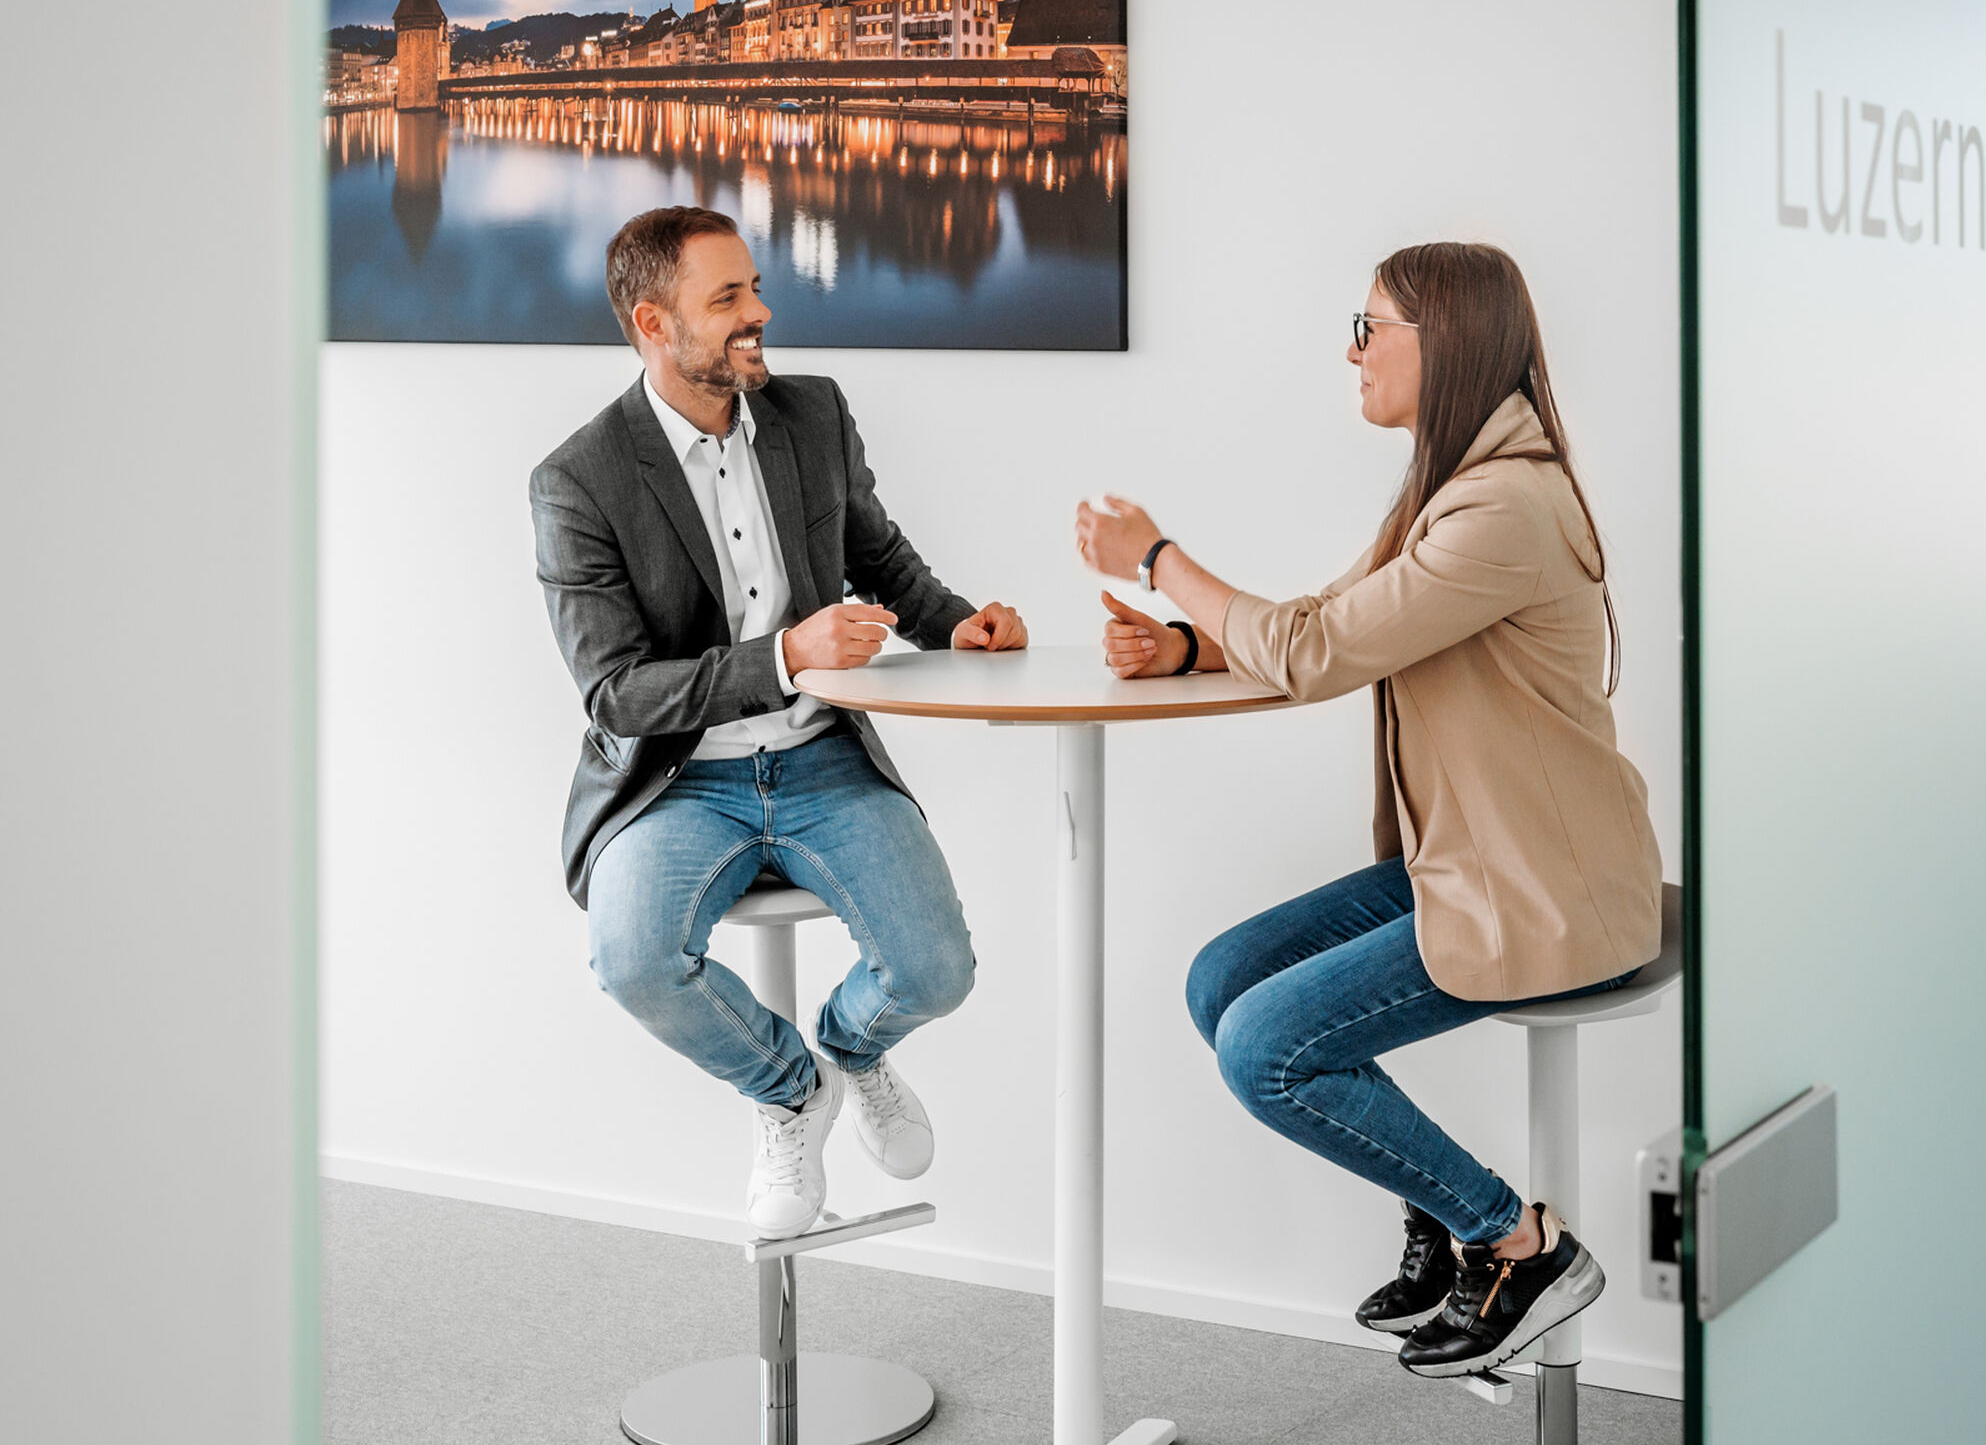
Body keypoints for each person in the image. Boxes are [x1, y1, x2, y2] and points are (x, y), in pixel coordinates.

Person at [1072, 242, 1663, 1378]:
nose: (1351, 348)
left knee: (1265, 1049)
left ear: (1442, 347)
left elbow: (1316, 651)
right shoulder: (1452, 486)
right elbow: (1328, 619)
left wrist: (1156, 556)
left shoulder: (1505, 506)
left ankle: (1514, 1243)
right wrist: (1188, 645)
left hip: (1548, 887)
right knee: (1218, 980)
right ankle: (1444, 1223)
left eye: (1371, 324)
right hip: (1474, 861)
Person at [531, 206, 1027, 1238]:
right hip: (678, 780)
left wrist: (956, 624)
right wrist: (787, 655)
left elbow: (877, 554)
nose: (760, 313)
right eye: (729, 300)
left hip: (820, 755)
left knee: (938, 971)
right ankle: (792, 1088)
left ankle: (853, 1047)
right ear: (652, 324)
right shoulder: (577, 480)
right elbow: (617, 693)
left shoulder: (813, 413)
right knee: (632, 960)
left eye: (754, 288)